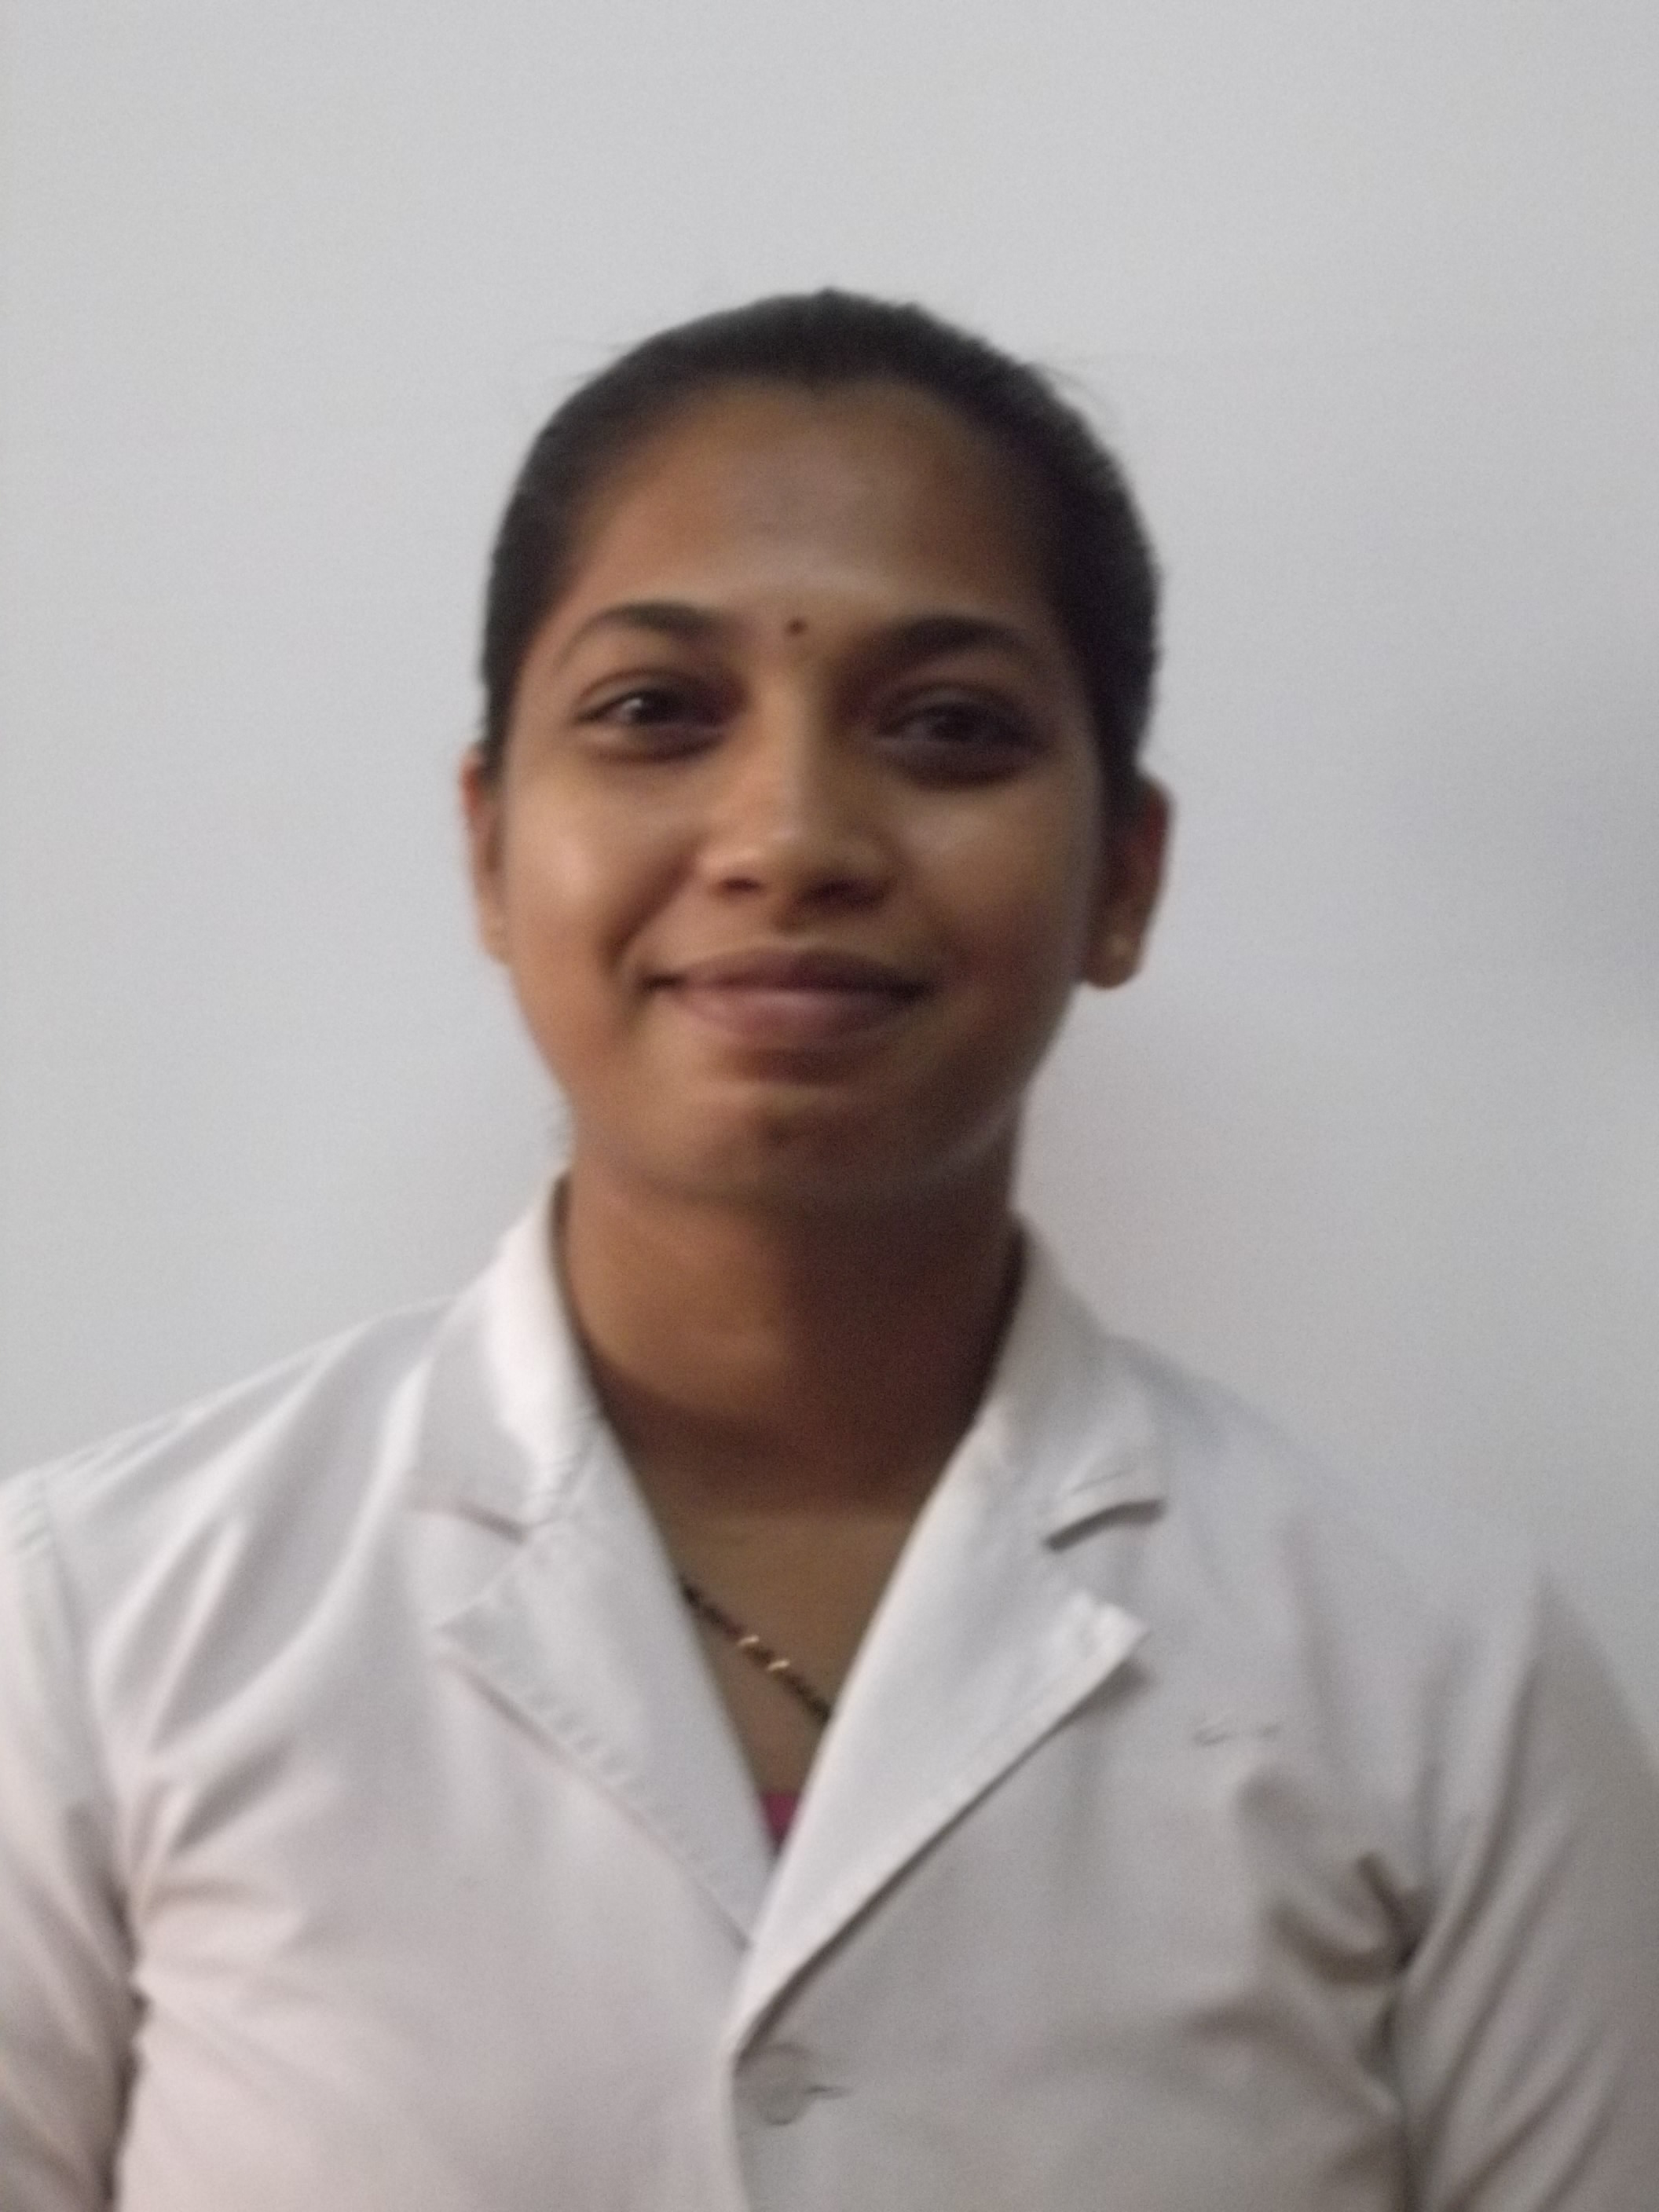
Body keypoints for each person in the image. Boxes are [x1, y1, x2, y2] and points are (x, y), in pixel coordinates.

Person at [2, 291, 1656, 2212]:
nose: (788, 834)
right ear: (488, 843)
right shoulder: (92, 1629)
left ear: (1122, 875)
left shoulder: (1443, 1679)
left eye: (949, 727)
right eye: (656, 712)